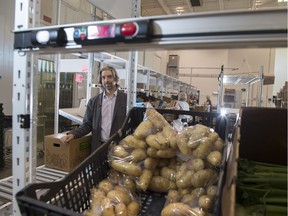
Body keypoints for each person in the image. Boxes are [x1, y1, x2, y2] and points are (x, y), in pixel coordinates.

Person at [60, 66, 127, 152]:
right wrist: (73, 134)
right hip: (98, 148)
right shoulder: (94, 101)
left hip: (119, 149)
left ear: (115, 78)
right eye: (103, 77)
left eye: (109, 77)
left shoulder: (126, 100)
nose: (106, 80)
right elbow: (87, 124)